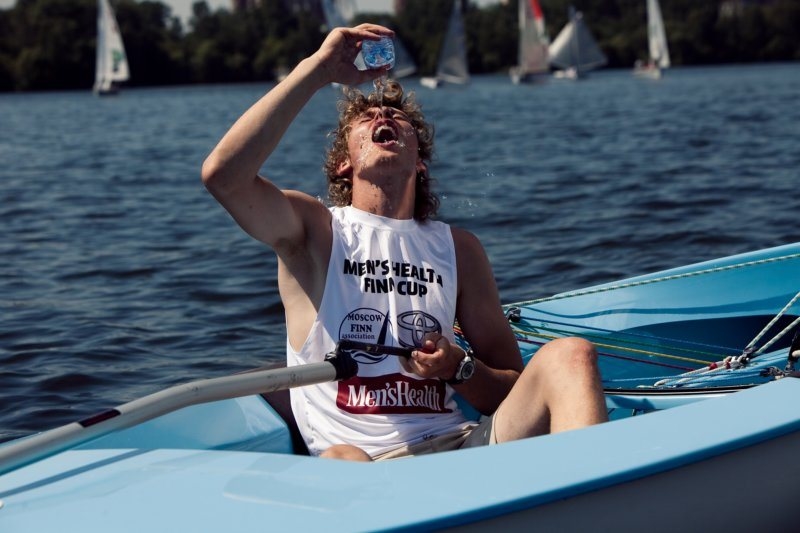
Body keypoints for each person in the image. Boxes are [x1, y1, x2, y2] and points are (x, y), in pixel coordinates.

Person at [202, 24, 607, 461]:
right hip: (367, 464)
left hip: (463, 446)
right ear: (343, 164)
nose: (384, 117)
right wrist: (318, 70)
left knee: (572, 355)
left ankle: (595, 488)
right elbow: (224, 177)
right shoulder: (315, 231)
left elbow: (509, 389)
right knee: (343, 458)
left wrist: (457, 367)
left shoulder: (459, 249)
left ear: (420, 163)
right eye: (366, 119)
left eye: (399, 119)